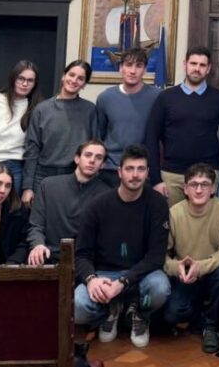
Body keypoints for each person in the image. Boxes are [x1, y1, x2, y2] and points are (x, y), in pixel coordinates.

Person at [74, 144, 171, 347]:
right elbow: (81, 254)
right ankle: (109, 310)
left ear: (147, 173)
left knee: (160, 288)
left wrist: (123, 282)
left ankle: (140, 314)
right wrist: (91, 280)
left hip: (142, 274)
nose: (135, 175)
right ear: (119, 172)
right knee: (79, 306)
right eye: (129, 169)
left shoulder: (157, 203)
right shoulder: (97, 205)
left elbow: (156, 256)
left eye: (140, 169)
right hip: (104, 274)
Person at [162, 163, 219, 354]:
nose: (198, 189)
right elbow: (162, 255)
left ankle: (211, 326)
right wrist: (177, 267)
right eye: (194, 184)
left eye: (204, 184)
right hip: (185, 274)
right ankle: (198, 318)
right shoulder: (174, 213)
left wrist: (201, 267)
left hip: (213, 270)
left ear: (213, 188)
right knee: (172, 315)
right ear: (185, 189)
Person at [146, 46, 219, 206]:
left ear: (208, 68)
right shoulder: (165, 98)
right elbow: (152, 137)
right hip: (172, 176)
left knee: (205, 221)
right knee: (170, 220)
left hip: (207, 175)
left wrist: (217, 170)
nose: (197, 68)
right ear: (185, 64)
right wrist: (156, 179)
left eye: (202, 65)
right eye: (193, 63)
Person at [22, 60, 95, 204]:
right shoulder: (42, 109)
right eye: (71, 75)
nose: (74, 80)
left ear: (84, 84)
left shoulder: (90, 110)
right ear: (63, 76)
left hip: (76, 174)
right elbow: (32, 149)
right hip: (43, 174)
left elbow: (95, 146)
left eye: (80, 78)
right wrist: (28, 187)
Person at [27, 139, 110, 266]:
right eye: (88, 155)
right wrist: (38, 245)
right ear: (77, 158)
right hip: (48, 256)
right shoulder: (48, 185)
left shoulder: (106, 195)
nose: (92, 160)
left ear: (103, 165)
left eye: (98, 157)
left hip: (86, 262)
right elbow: (36, 225)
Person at [0, 60, 41, 197]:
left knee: (10, 210)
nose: (24, 84)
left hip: (14, 167)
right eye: (21, 78)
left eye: (30, 81)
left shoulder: (36, 108)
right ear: (13, 78)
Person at [96, 49, 160, 188]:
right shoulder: (105, 97)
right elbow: (100, 134)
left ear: (145, 70)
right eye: (129, 65)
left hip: (141, 169)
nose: (133, 71)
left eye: (138, 66)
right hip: (111, 169)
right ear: (121, 68)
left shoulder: (157, 97)